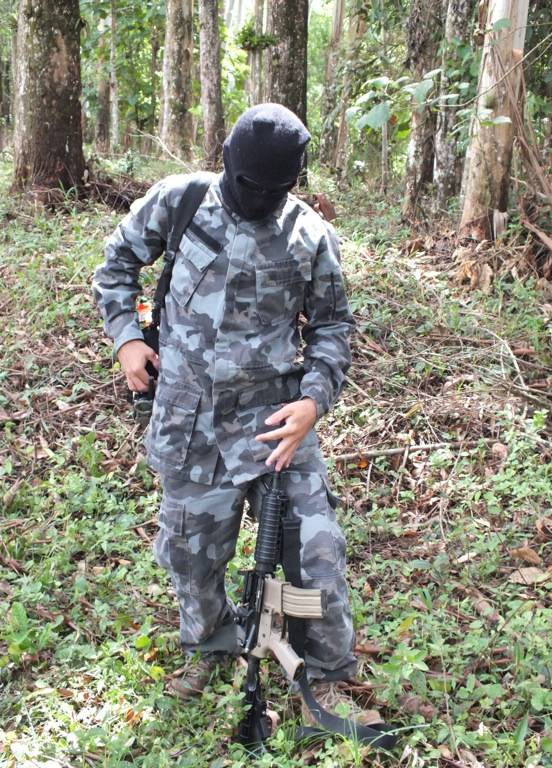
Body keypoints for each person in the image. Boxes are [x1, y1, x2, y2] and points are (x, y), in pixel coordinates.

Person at [93, 103, 365, 718]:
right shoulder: (179, 202)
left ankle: (322, 671)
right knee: (192, 552)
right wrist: (127, 338)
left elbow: (332, 327)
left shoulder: (309, 235)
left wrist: (312, 404)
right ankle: (214, 642)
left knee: (316, 557)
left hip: (276, 423)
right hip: (190, 420)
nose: (261, 197)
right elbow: (116, 265)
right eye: (251, 185)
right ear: (227, 162)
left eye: (277, 189)